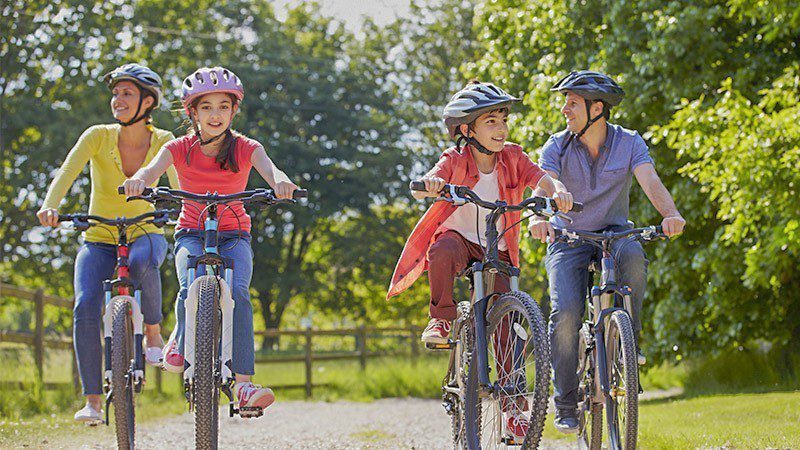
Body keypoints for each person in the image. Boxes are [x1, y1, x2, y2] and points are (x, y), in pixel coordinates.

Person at [387, 80, 574, 440]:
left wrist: (558, 191)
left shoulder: (514, 156)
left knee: (509, 324)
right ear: (466, 129)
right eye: (491, 121)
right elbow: (437, 173)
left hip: (497, 244)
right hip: (459, 239)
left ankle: (514, 410)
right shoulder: (455, 158)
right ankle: (441, 319)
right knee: (440, 252)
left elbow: (540, 177)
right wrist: (432, 183)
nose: (501, 129)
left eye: (503, 120)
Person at [122, 66, 300, 413]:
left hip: (235, 234)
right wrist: (139, 181)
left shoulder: (247, 147)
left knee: (238, 293)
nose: (215, 114)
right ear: (193, 112)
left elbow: (271, 169)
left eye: (223, 106)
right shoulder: (178, 148)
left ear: (234, 111)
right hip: (191, 230)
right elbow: (151, 170)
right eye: (206, 107)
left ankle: (244, 385)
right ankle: (180, 338)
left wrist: (282, 183)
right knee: (189, 280)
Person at [527, 70, 686, 433]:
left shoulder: (629, 142)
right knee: (566, 312)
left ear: (596, 108)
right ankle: (566, 401)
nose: (565, 109)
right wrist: (539, 216)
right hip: (568, 237)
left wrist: (671, 215)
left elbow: (650, 180)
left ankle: (627, 348)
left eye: (572, 103)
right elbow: (545, 184)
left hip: (614, 233)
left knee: (633, 257)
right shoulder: (556, 145)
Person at [37, 63, 179, 423]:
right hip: (99, 237)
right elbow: (68, 171)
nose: (117, 99)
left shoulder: (164, 142)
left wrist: (184, 213)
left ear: (148, 101)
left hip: (145, 230)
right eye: (115, 93)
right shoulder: (97, 136)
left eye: (127, 93)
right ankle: (93, 402)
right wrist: (50, 206)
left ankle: (152, 333)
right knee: (85, 305)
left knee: (144, 263)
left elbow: (179, 188)